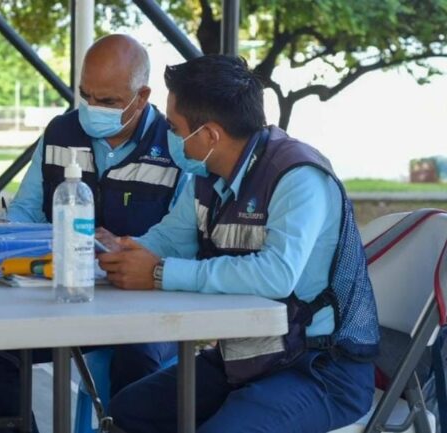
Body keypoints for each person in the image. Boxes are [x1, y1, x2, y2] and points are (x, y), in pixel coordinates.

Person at [97, 55, 380, 433]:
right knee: (130, 410)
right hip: (248, 357)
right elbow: (170, 238)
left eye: (175, 127)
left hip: (320, 369)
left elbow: (276, 274)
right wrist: (122, 251)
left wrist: (160, 273)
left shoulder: (298, 176)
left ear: (210, 135)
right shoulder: (206, 175)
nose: (170, 136)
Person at [0, 34, 182, 433]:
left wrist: (135, 250)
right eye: (86, 95)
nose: (92, 109)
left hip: (141, 302)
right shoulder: (60, 132)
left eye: (108, 101)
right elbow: (25, 211)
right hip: (63, 292)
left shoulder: (175, 146)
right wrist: (1, 239)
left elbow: (184, 236)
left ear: (142, 95)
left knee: (139, 359)